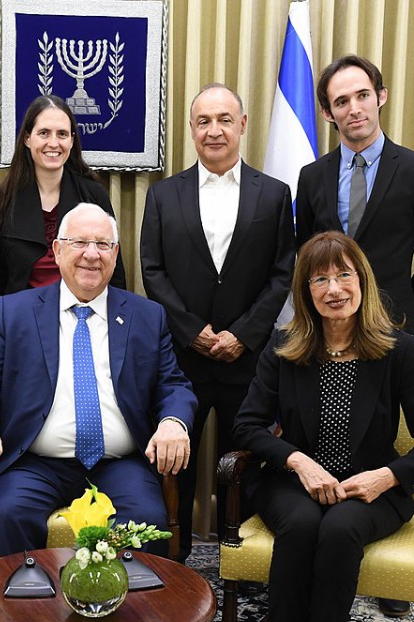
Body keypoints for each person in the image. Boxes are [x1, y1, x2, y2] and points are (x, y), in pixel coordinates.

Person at [0, 203, 197, 622]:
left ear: (115, 256)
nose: (91, 254)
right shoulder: (16, 310)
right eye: (80, 243)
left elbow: (175, 384)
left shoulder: (145, 315)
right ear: (58, 251)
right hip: (39, 461)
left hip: (118, 461)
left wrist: (174, 421)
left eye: (103, 245)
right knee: (9, 517)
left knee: (145, 520)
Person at [233, 232, 414, 622]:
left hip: (370, 490)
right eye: (320, 279)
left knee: (337, 531)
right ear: (306, 290)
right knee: (305, 523)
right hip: (293, 484)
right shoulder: (284, 347)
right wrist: (297, 461)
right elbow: (246, 426)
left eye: (344, 276)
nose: (334, 288)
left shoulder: (397, 351)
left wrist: (389, 475)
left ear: (362, 281)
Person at [293, 54, 414, 618]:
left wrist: (402, 317)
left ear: (380, 98)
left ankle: (386, 571)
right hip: (328, 334)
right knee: (331, 436)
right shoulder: (312, 178)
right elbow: (309, 261)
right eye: (341, 101)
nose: (353, 108)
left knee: (384, 440)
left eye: (362, 95)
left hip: (387, 336)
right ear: (329, 114)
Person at [140, 83, 295, 563]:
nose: (214, 130)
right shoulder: (164, 195)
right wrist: (193, 331)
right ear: (191, 129)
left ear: (243, 125)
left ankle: (239, 559)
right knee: (175, 464)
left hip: (248, 362)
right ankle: (173, 558)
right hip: (182, 360)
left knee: (244, 466)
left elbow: (281, 272)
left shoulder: (274, 195)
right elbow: (153, 270)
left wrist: (242, 335)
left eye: (224, 119)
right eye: (203, 121)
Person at [0, 94, 127, 299]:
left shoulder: (94, 195)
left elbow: (115, 272)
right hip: (24, 317)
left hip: (83, 315)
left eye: (62, 134)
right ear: (27, 138)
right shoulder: (7, 197)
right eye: (44, 133)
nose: (53, 143)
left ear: (72, 140)